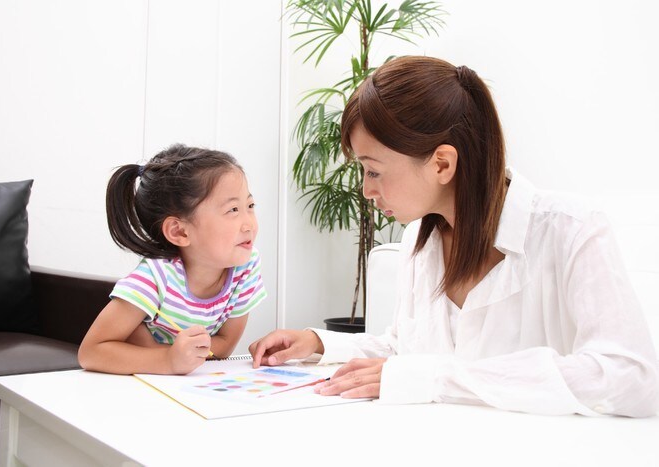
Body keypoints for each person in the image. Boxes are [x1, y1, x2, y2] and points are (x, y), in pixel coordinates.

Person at [249, 55, 659, 417]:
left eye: (372, 170)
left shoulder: (571, 229)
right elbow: (409, 353)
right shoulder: (418, 241)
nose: (365, 189)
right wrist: (318, 344)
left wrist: (437, 380)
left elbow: (629, 378)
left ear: (442, 164)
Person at [79, 144, 266, 375]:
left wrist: (175, 353)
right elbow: (91, 352)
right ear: (180, 232)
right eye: (233, 210)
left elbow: (225, 345)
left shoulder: (245, 266)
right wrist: (168, 359)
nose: (250, 224)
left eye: (250, 206)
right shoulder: (156, 276)